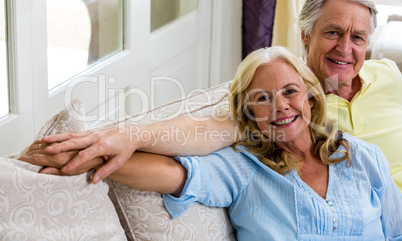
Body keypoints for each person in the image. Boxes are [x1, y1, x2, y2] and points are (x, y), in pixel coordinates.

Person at [20, 0, 402, 191]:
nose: (346, 49)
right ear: (305, 35)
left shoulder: (388, 73)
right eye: (333, 32)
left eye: (358, 38)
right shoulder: (293, 106)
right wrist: (124, 136)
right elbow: (208, 128)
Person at [97, 46, 402, 240]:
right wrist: (96, 154)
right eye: (262, 99)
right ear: (249, 112)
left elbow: (396, 231)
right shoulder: (243, 167)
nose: (280, 106)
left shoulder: (363, 156)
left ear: (310, 96)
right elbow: (169, 174)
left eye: (290, 91)